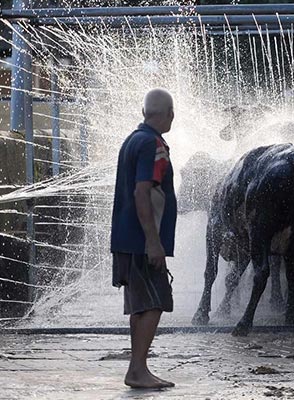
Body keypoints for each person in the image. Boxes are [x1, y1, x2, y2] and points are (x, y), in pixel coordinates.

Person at [110, 88, 177, 388]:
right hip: (141, 241)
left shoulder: (131, 140)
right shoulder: (153, 144)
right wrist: (153, 241)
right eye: (172, 113)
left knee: (140, 305)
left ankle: (137, 368)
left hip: (126, 238)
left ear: (143, 112)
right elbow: (142, 192)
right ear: (169, 114)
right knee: (155, 302)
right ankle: (138, 369)